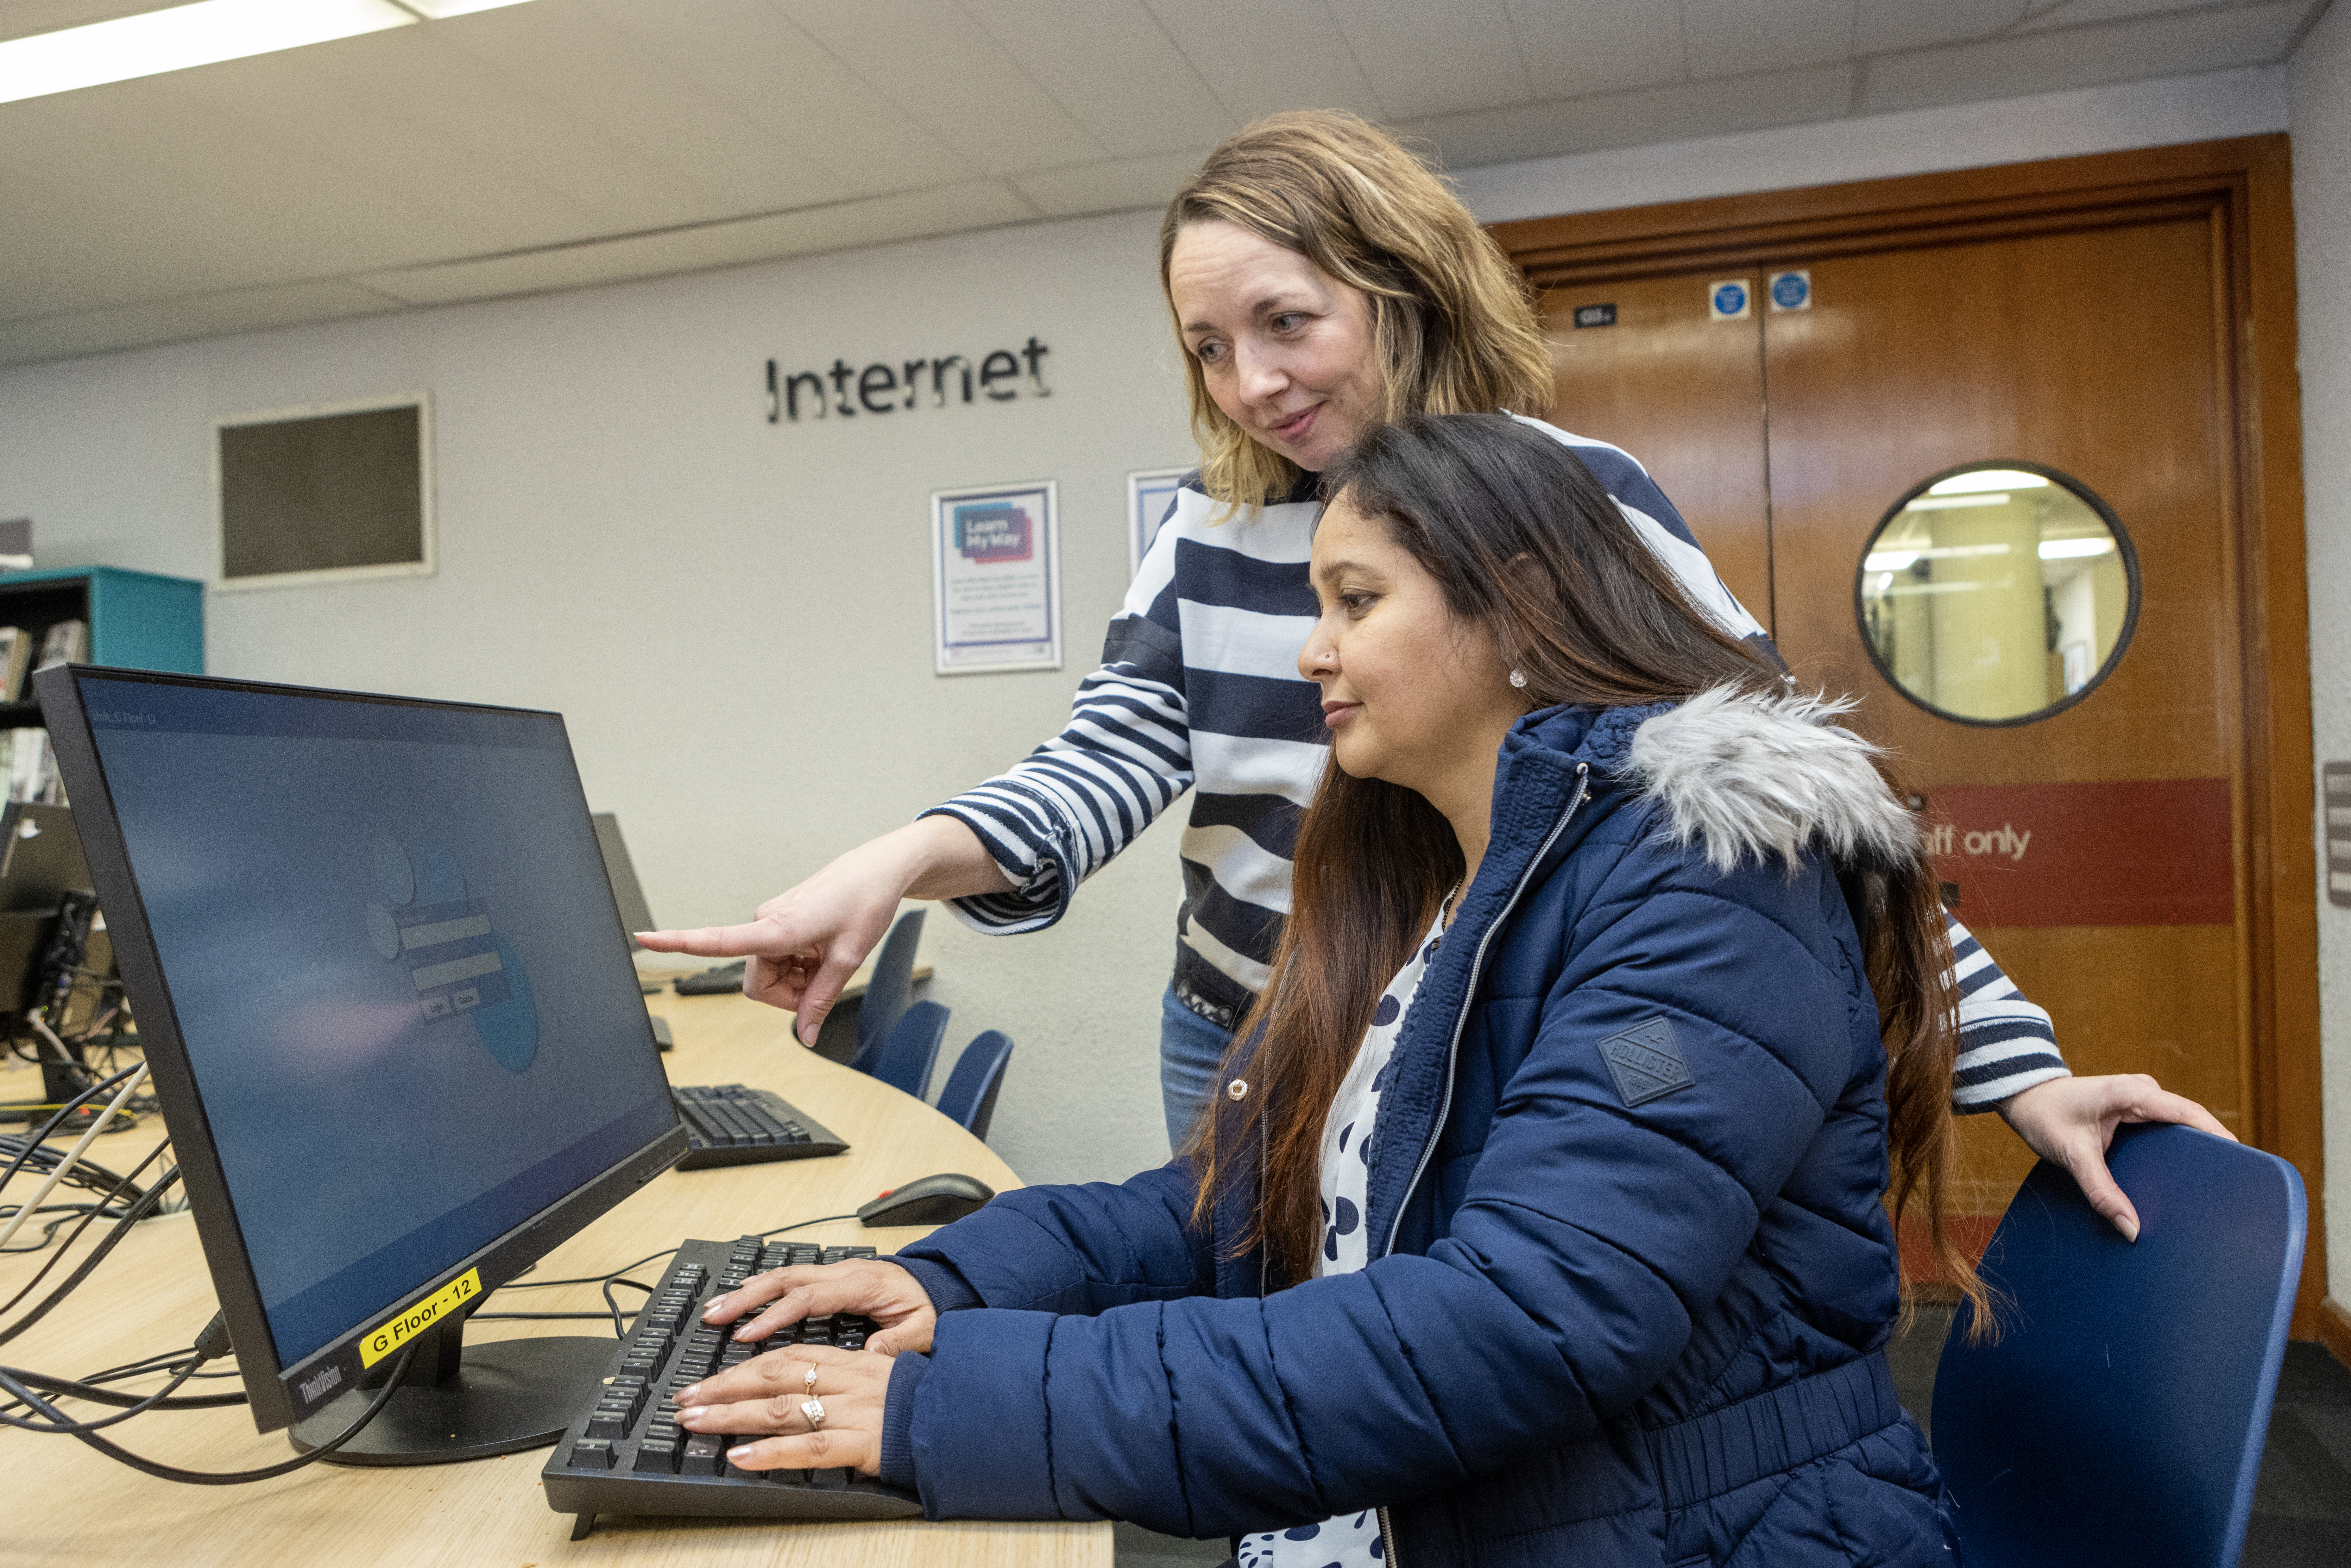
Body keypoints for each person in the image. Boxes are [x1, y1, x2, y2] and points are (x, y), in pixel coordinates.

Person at [639, 108, 2222, 1240]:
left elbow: (1793, 803)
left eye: (1287, 322)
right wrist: (908, 857)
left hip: (1481, 1022)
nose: (1250, 382)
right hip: (1248, 1024)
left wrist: (2027, 1074)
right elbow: (1115, 754)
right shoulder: (1216, 525)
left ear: (1401, 290)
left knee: (1445, 1387)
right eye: (1208, 345)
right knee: (1267, 1372)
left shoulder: (1566, 498)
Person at [674, 413, 2019, 1564]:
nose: (1311, 651)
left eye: (1356, 602)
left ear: (1523, 604)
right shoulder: (1442, 879)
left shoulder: (1704, 891)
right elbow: (1255, 1202)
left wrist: (950, 1411)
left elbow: (1526, 1320)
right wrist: (960, 1284)